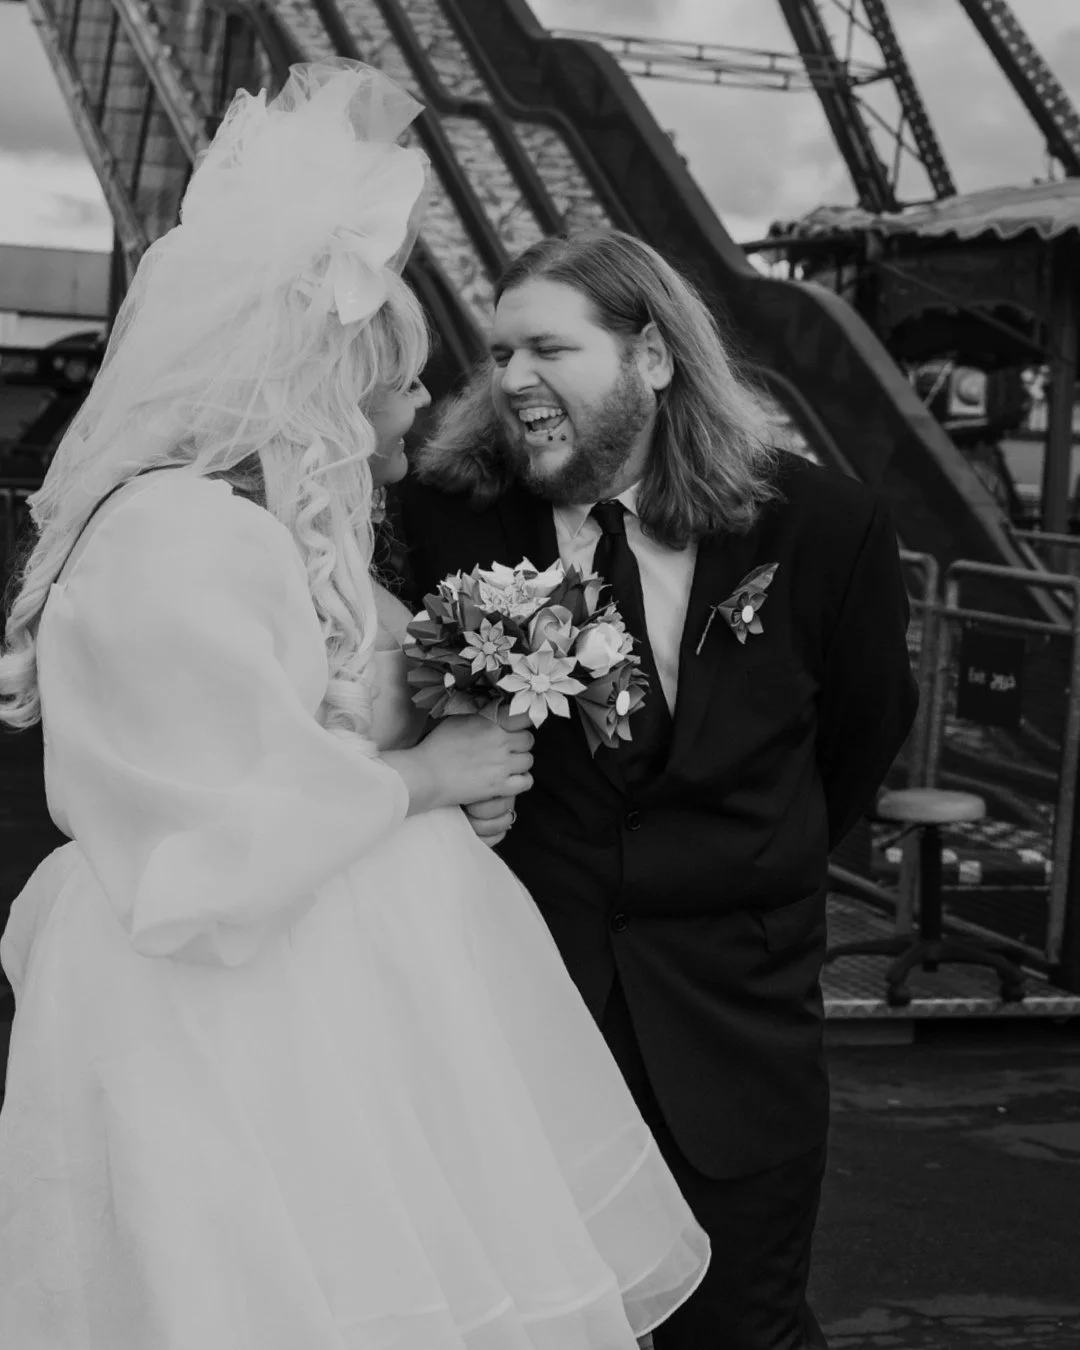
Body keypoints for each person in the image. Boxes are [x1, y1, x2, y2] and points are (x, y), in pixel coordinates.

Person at [0, 66, 710, 1349]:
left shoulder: (255, 541)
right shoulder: (176, 543)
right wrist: (426, 778)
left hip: (328, 1007)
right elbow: (204, 849)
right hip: (224, 1027)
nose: (413, 421)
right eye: (392, 389)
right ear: (311, 384)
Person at [397, 228, 920, 1350]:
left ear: (654, 357)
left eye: (548, 348)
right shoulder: (448, 519)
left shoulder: (823, 528)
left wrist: (746, 865)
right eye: (498, 354)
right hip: (523, 1024)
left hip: (738, 1029)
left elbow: (862, 738)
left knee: (743, 1330)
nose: (512, 380)